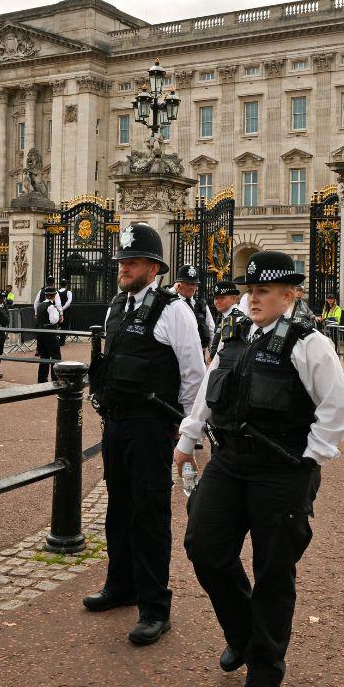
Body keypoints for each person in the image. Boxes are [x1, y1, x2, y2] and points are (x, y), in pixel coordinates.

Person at [176, 251, 344, 687]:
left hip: (281, 470)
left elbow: (336, 407)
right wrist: (189, 436)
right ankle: (244, 634)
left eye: (263, 291)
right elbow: (209, 391)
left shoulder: (309, 343)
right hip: (230, 461)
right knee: (204, 546)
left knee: (274, 571)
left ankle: (264, 672)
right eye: (250, 290)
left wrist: (308, 460)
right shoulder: (234, 332)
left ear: (288, 295)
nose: (252, 298)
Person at [85, 223, 205, 646]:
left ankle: (155, 606)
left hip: (154, 425)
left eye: (132, 262)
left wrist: (187, 432)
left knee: (150, 514)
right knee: (118, 507)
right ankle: (122, 585)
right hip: (117, 423)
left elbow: (193, 375)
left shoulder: (174, 310)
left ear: (153, 268)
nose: (123, 268)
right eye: (122, 262)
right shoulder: (116, 305)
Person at [173, 263, 215, 355]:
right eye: (188, 283)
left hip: (199, 353)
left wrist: (212, 353)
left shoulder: (201, 305)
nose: (191, 287)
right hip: (177, 354)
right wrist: (173, 289)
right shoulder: (172, 304)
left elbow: (211, 329)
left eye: (194, 284)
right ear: (179, 285)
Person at [209, 279, 245, 359]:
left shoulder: (237, 319)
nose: (217, 301)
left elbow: (231, 354)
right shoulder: (224, 315)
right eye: (216, 298)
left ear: (234, 299)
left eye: (222, 297)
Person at [34, 285, 63, 383]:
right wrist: (58, 314)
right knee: (55, 355)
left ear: (46, 295)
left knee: (44, 356)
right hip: (50, 332)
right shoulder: (51, 306)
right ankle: (55, 378)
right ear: (54, 295)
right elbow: (54, 320)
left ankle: (42, 379)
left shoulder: (40, 305)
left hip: (40, 332)